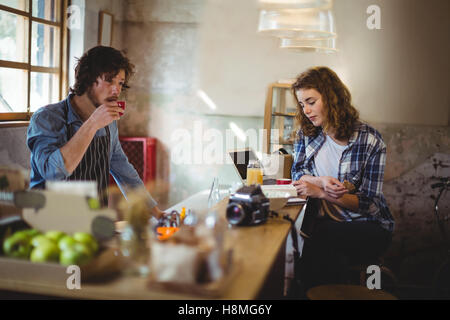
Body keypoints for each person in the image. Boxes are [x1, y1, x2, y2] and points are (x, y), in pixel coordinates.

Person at [27, 45, 164, 219]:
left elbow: (124, 171)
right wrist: (92, 124)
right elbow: (52, 173)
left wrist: (157, 214)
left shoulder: (109, 123)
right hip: (50, 224)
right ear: (87, 79)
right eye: (109, 80)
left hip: (92, 223)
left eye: (120, 83)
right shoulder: (47, 117)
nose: (116, 90)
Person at [290, 66, 395, 291]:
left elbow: (369, 204)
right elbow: (297, 174)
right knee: (296, 244)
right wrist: (321, 181)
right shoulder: (306, 133)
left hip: (369, 225)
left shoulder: (369, 140)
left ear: (331, 97)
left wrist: (320, 192)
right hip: (325, 221)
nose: (306, 110)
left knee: (318, 244)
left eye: (311, 101)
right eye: (302, 104)